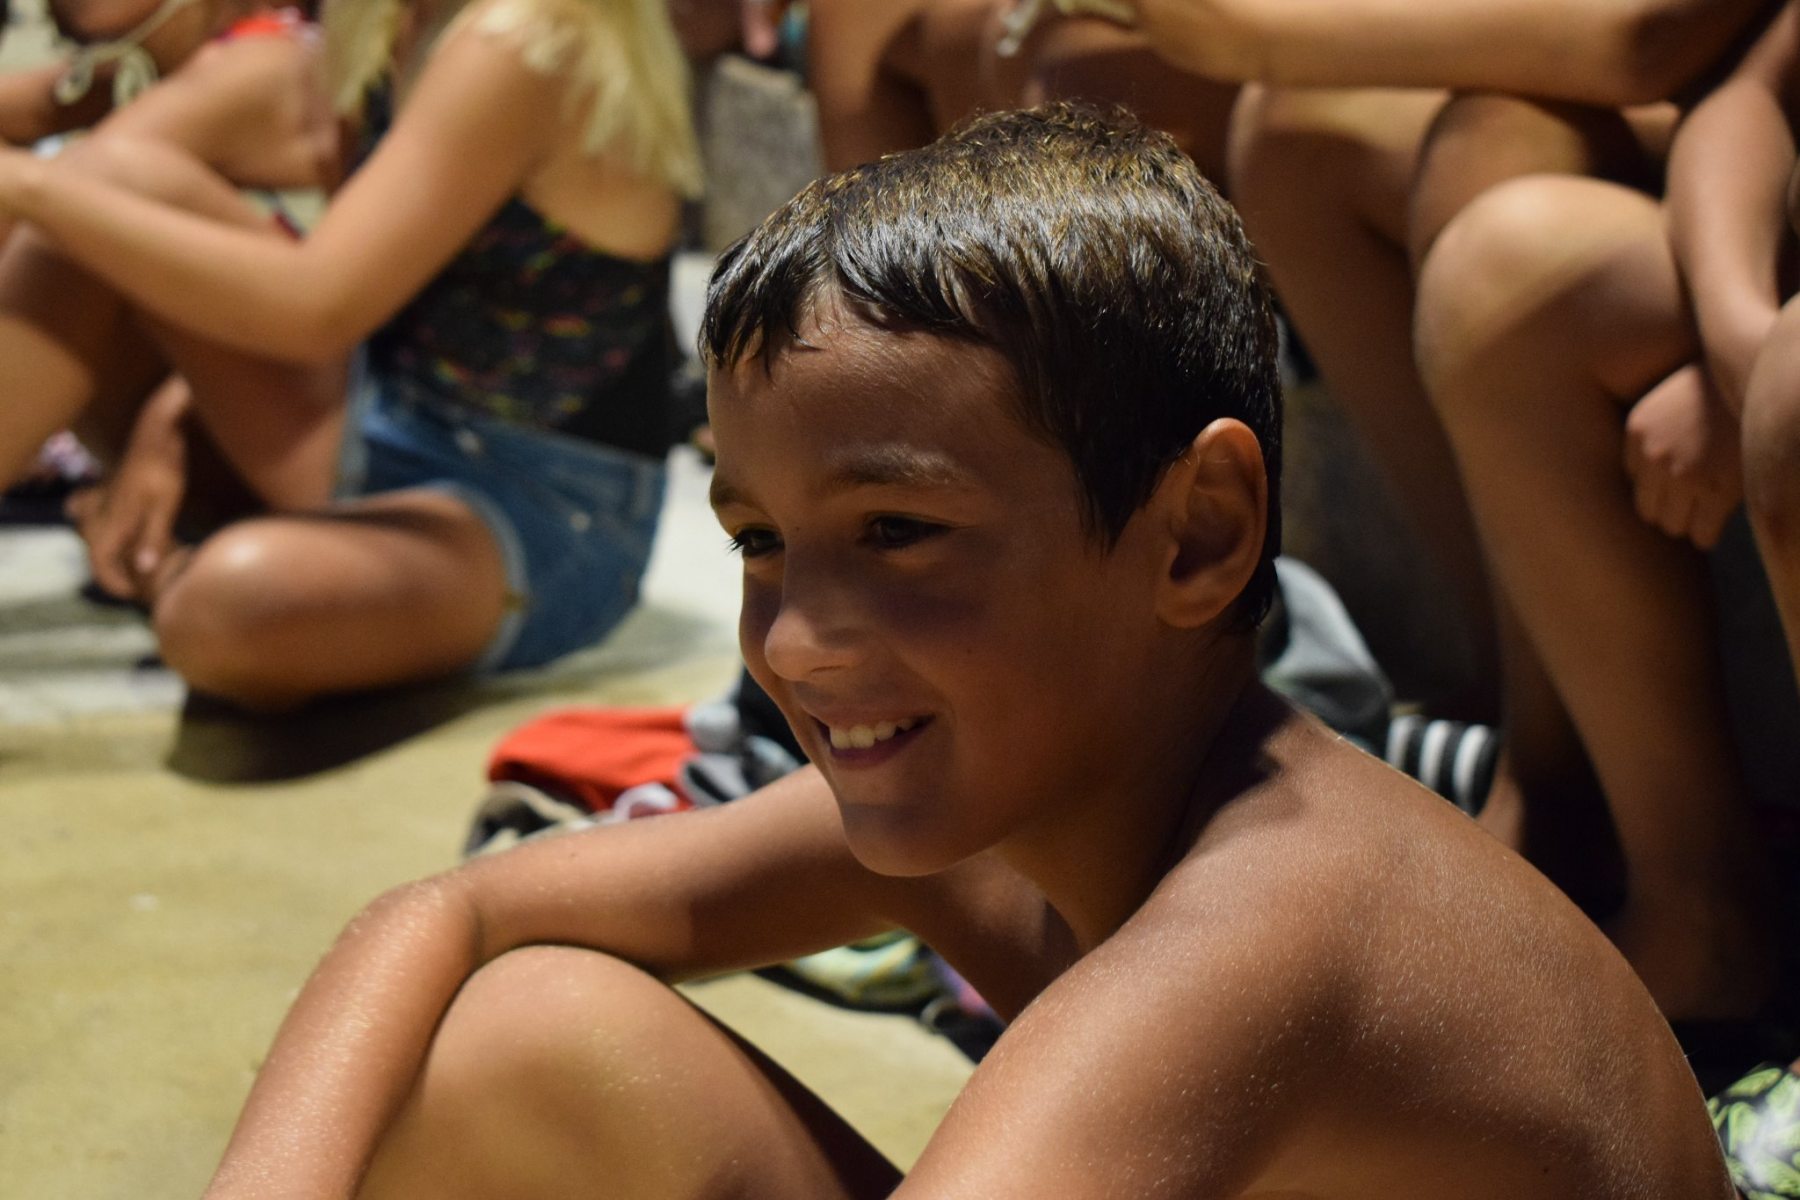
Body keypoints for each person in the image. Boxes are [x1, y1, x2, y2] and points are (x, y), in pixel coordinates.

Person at [197, 105, 1731, 1199]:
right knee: (529, 1037)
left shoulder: (1263, 929)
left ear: (1197, 534)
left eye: (899, 532)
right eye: (760, 542)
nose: (795, 642)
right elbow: (450, 917)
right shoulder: (1028, 796)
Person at [0, 0, 700, 709]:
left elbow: (317, 308)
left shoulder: (528, 35)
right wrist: (169, 410)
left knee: (226, 605)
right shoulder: (392, 18)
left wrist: (29, 184)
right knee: (106, 183)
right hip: (379, 415)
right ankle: (217, 561)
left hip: (539, 509)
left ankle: (201, 568)